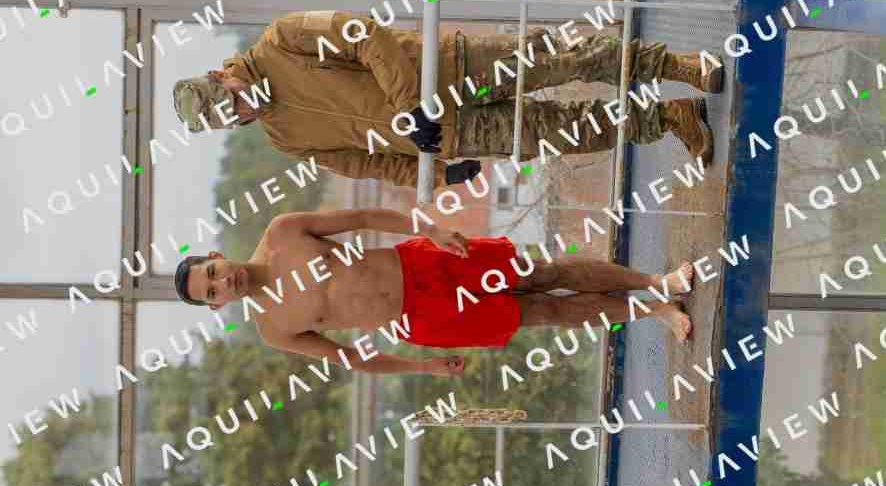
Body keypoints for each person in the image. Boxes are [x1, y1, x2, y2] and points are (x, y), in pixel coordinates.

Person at [172, 10, 723, 192]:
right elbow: (365, 164)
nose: (239, 111)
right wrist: (436, 176)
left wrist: (408, 105)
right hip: (450, 135)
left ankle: (678, 67)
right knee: (566, 132)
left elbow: (365, 35)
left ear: (222, 75)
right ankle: (668, 117)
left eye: (229, 100)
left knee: (566, 59)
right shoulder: (285, 138)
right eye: (230, 118)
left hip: (454, 68)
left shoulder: (282, 40)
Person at [173, 209, 694, 376]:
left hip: (422, 263)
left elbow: (364, 217)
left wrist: (432, 229)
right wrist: (423, 367)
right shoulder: (273, 328)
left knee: (542, 274)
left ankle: (656, 282)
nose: (222, 280)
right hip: (421, 320)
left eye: (212, 271)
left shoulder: (283, 232)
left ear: (216, 255)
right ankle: (655, 311)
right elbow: (351, 358)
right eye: (212, 290)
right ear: (217, 305)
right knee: (545, 314)